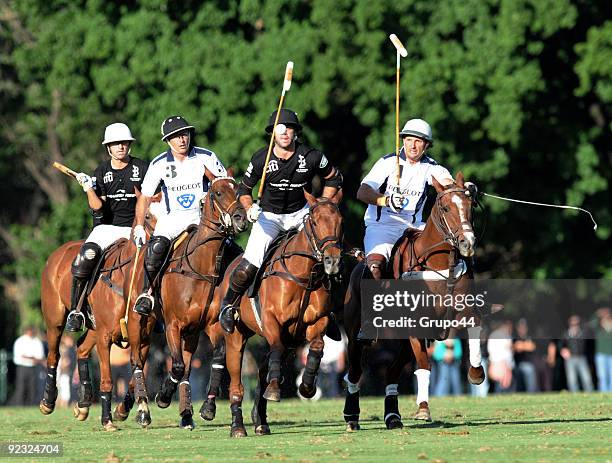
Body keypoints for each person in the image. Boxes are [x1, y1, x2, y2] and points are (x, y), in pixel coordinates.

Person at [218, 109, 342, 333]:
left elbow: (334, 178)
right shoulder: (260, 159)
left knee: (325, 253)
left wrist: (322, 204)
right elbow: (245, 190)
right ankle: (228, 305)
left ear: (295, 132)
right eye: (280, 129)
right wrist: (249, 208)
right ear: (273, 133)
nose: (285, 133)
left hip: (301, 214)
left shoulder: (311, 156)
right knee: (249, 263)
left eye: (289, 128)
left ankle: (326, 309)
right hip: (269, 217)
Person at [132, 116, 227, 315]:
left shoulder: (206, 156)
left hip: (201, 218)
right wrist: (140, 225)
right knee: (156, 248)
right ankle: (147, 294)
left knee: (231, 249)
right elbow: (145, 198)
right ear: (168, 141)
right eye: (176, 137)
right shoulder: (158, 163)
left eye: (184, 134)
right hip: (172, 219)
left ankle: (233, 298)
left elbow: (224, 184)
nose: (182, 139)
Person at [355, 118, 466, 280]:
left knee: (456, 253)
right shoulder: (387, 162)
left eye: (418, 141)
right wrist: (386, 200)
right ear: (403, 141)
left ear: (427, 144)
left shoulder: (431, 167)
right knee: (375, 268)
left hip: (414, 229)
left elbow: (449, 185)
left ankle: (469, 299)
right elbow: (363, 192)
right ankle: (373, 303)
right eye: (408, 140)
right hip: (382, 228)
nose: (412, 146)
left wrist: (464, 188)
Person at [65, 123, 149, 331]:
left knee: (157, 256)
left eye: (124, 143)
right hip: (108, 228)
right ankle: (77, 310)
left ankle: (157, 310)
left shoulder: (143, 168)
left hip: (137, 226)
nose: (121, 146)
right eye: (115, 143)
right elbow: (97, 207)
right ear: (108, 148)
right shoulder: (101, 171)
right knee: (86, 256)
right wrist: (88, 189)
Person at [10, 326, 45, 405]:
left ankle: (31, 404)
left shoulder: (36, 341)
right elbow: (19, 356)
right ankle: (19, 404)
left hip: (33, 367)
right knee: (21, 387)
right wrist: (32, 358)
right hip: (22, 367)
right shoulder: (20, 341)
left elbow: (40, 356)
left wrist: (34, 359)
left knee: (32, 387)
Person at [561, 315, 594, 392]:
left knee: (586, 378)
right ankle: (574, 394)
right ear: (569, 324)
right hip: (570, 359)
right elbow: (561, 345)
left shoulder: (583, 333)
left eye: (577, 324)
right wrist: (563, 350)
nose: (575, 326)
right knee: (572, 379)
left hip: (581, 357)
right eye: (573, 324)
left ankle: (590, 393)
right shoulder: (566, 334)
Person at [593, 307, 612, 392]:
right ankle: (603, 392)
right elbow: (592, 322)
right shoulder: (598, 329)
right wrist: (598, 314)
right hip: (601, 355)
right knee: (602, 376)